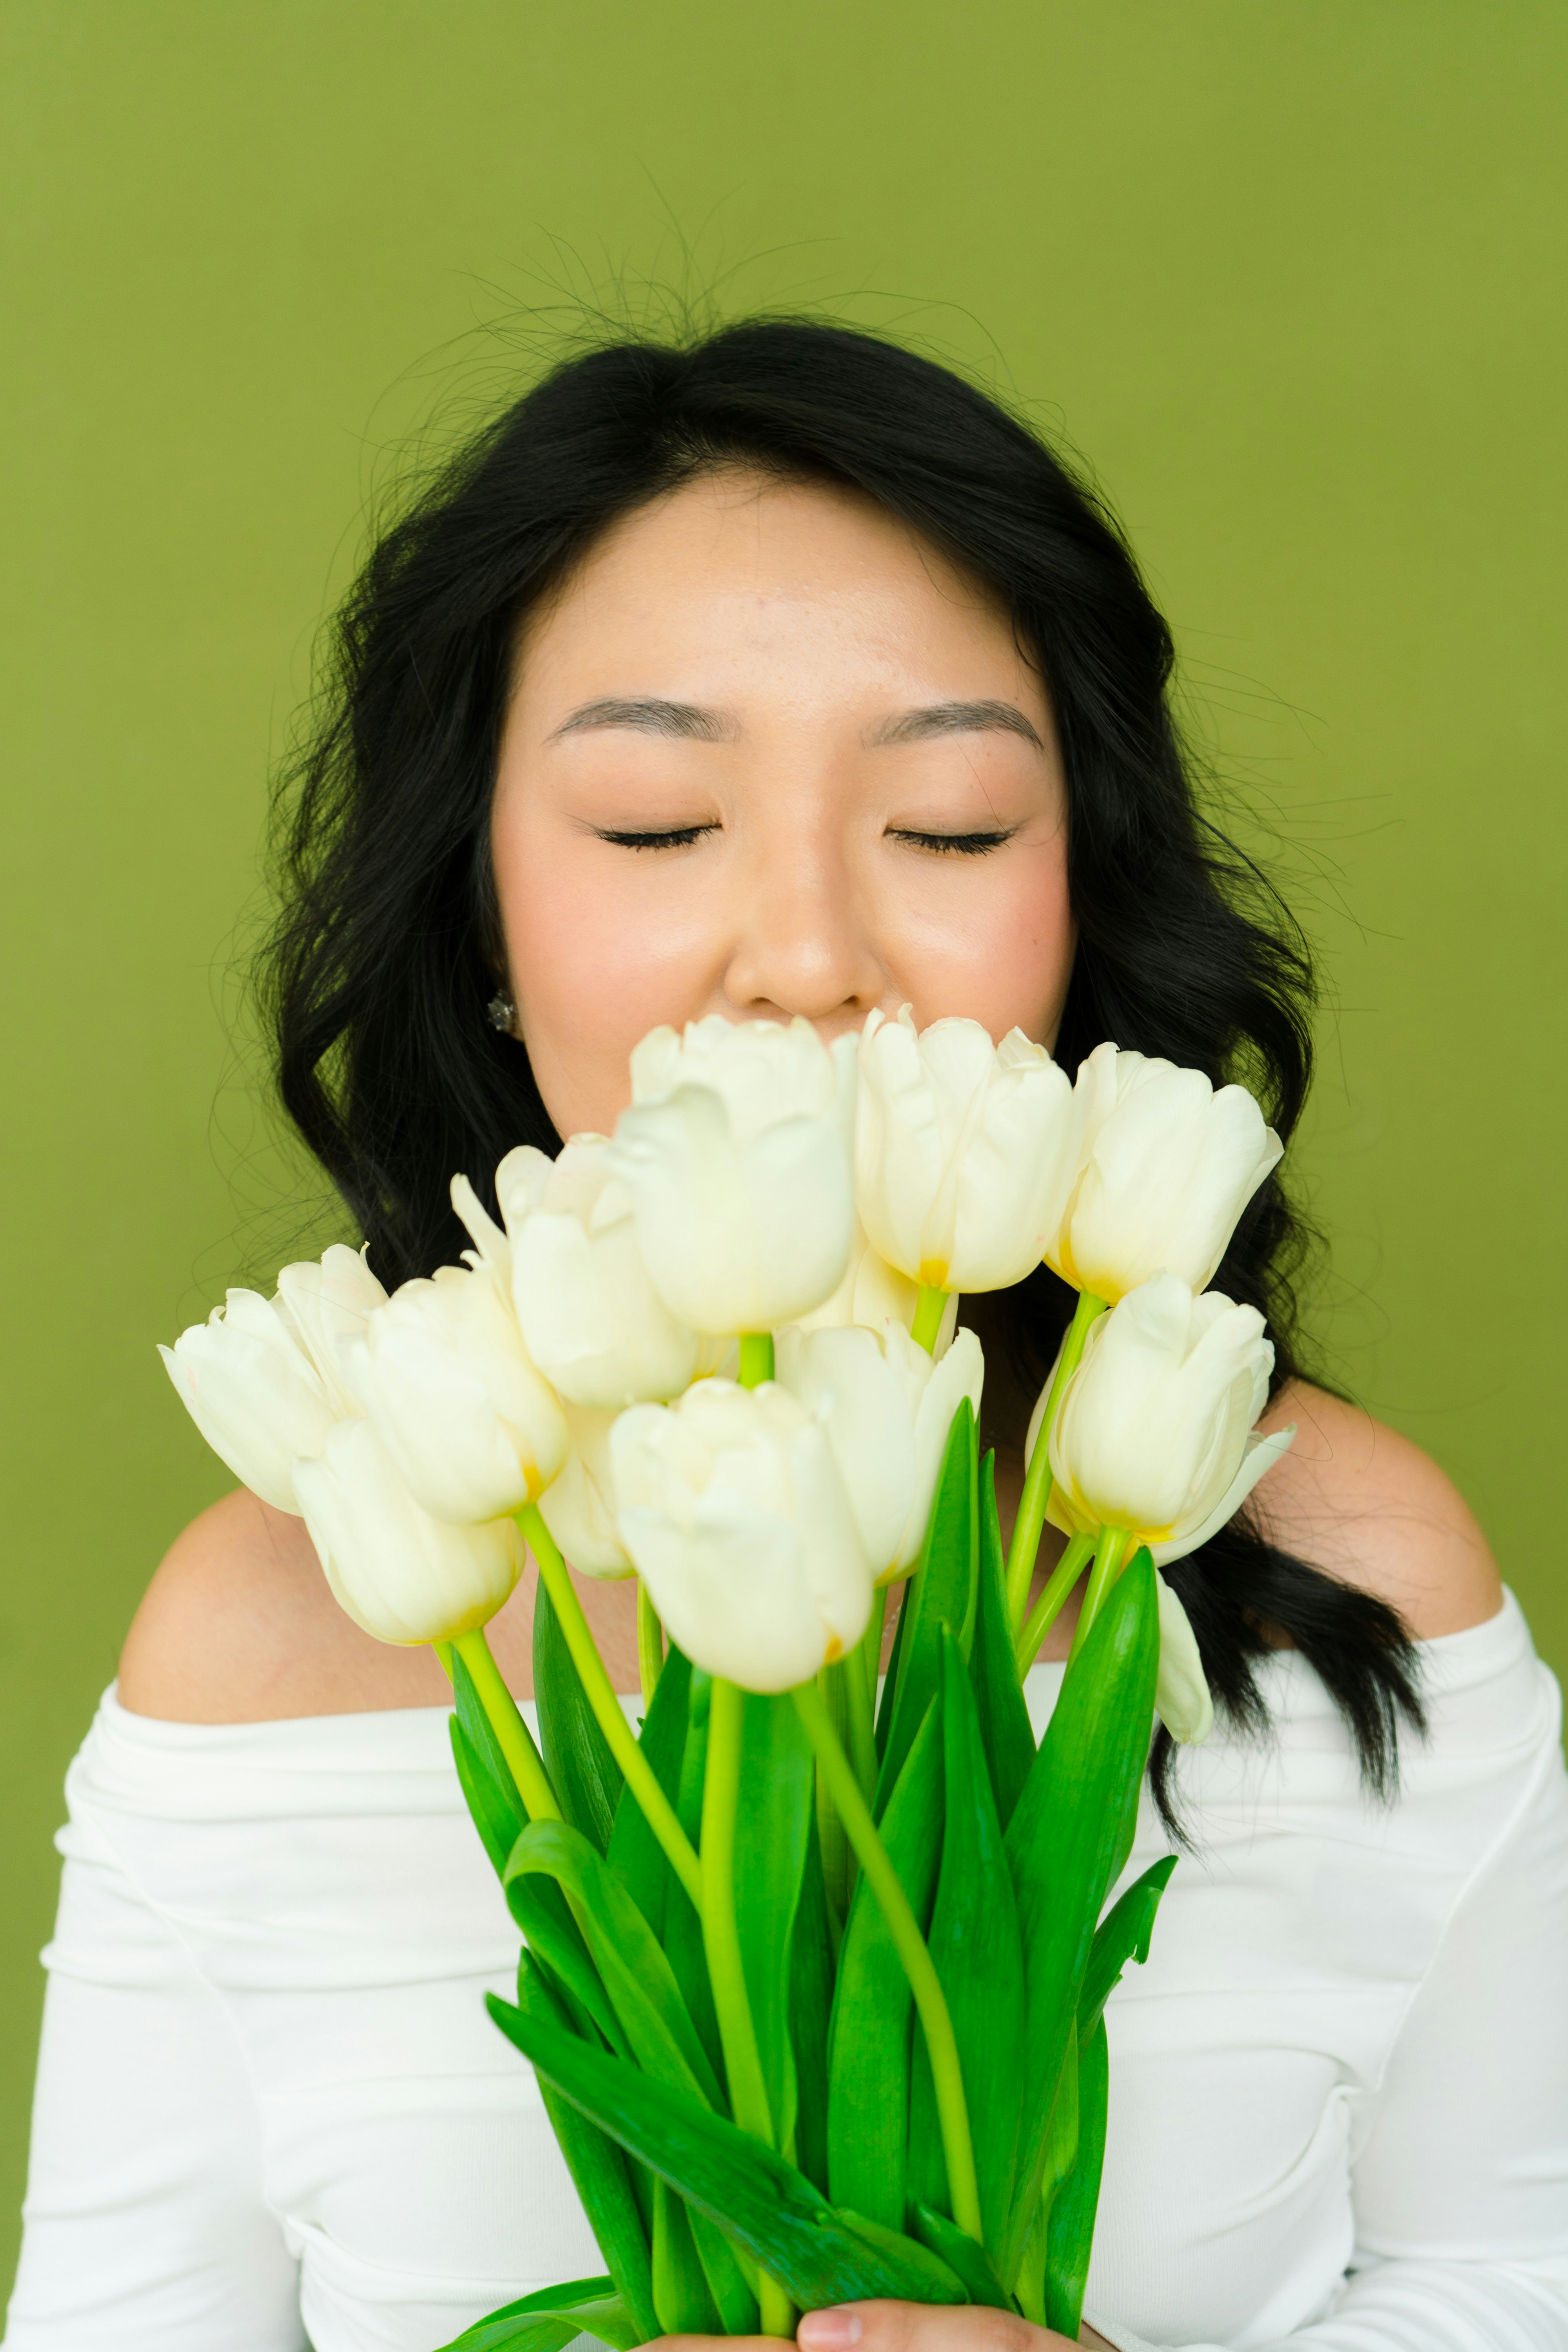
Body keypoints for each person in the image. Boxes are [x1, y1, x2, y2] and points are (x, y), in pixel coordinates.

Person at [5, 319, 1564, 2352]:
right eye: (659, 823)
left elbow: (1514, 2284)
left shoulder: (1346, 1567)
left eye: (951, 828)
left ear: (1088, 902)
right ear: (476, 908)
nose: (813, 958)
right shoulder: (264, 1638)